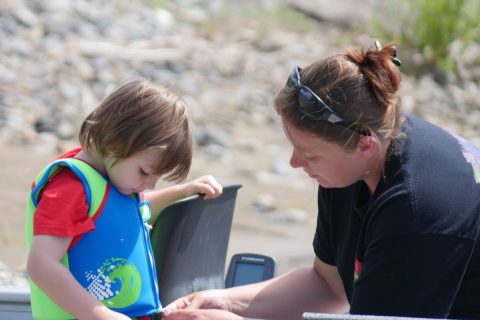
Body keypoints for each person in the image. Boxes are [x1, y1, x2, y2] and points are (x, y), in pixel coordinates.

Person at [162, 42, 480, 320]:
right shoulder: (349, 167)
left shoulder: (417, 209)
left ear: (364, 145)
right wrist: (225, 301)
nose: (294, 163)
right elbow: (328, 285)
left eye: (309, 154)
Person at [25, 78, 223, 320]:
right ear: (114, 141)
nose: (150, 183)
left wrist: (183, 191)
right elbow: (41, 265)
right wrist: (100, 315)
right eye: (145, 172)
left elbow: (133, 213)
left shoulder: (115, 180)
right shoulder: (70, 187)